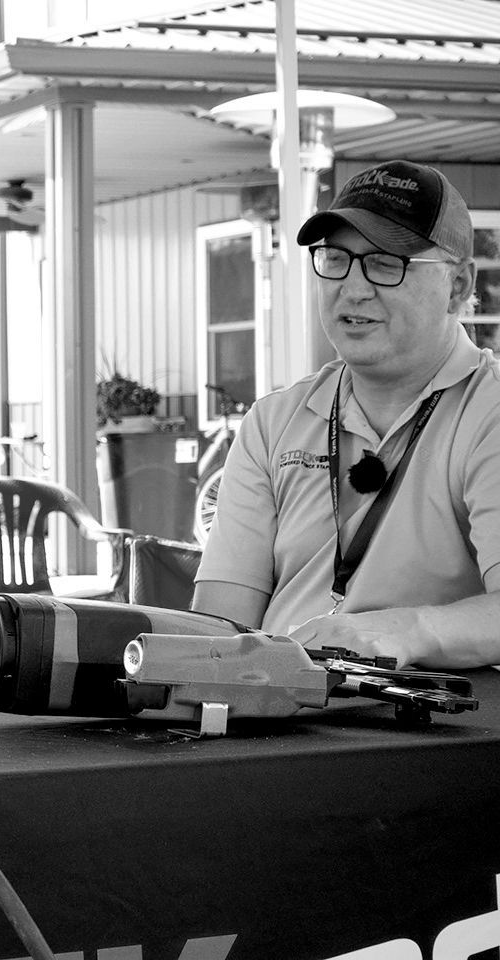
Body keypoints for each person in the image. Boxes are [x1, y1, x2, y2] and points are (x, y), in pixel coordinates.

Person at [193, 159, 500, 670]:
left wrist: (396, 632)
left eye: (385, 262)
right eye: (335, 258)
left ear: (458, 286)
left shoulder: (488, 411)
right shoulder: (273, 422)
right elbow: (219, 626)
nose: (352, 289)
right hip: (272, 721)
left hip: (423, 729)